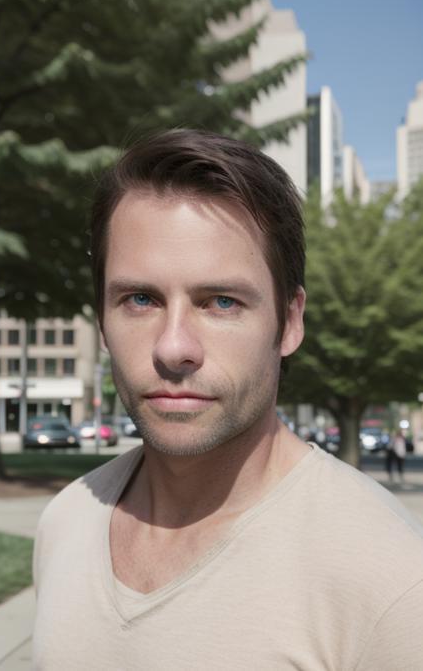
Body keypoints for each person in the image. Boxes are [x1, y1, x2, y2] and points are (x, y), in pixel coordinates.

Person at [33, 130, 423, 670]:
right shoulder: (65, 522)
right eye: (139, 299)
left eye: (220, 302)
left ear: (289, 322)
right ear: (102, 319)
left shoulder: (392, 580)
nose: (174, 348)